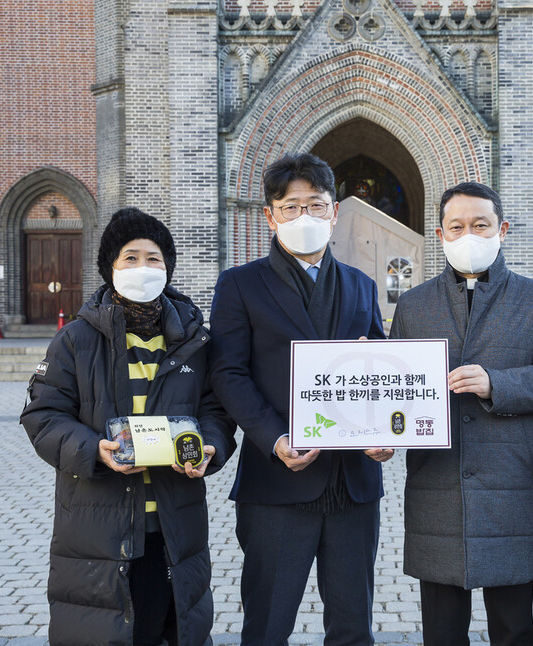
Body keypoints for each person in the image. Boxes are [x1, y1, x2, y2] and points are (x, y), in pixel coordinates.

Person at [21, 207, 236, 646]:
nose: (143, 268)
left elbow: (217, 411)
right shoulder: (76, 340)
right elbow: (42, 416)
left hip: (173, 525)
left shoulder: (195, 341)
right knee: (104, 629)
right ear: (110, 268)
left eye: (153, 258)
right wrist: (92, 450)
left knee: (172, 626)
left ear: (168, 266)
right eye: (130, 258)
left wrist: (210, 447)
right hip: (99, 527)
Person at [208, 152, 393, 646]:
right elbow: (228, 373)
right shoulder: (240, 285)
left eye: (316, 204)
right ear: (270, 215)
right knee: (268, 625)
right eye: (291, 207)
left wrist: (383, 433)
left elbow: (378, 372)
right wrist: (274, 437)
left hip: (353, 484)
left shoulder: (360, 285)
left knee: (353, 628)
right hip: (277, 481)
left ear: (335, 212)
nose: (304, 216)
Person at [388, 181, 533, 646]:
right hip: (437, 482)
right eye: (457, 226)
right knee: (442, 627)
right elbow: (395, 387)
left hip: (509, 483)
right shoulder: (414, 305)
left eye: (481, 224)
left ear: (502, 229)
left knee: (514, 627)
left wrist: (499, 383)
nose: (468, 234)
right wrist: (381, 431)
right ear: (440, 233)